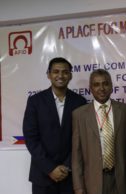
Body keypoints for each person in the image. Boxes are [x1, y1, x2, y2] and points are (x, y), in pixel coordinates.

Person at [23, 57, 87, 194]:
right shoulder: (35, 101)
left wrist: (66, 166)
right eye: (56, 71)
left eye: (65, 72)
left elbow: (81, 138)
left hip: (70, 176)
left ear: (70, 75)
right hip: (42, 175)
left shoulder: (80, 102)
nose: (60, 75)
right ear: (48, 74)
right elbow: (31, 138)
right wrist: (50, 168)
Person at [72, 69, 126, 194]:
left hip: (120, 179)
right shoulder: (79, 115)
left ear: (111, 86)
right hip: (93, 181)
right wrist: (78, 187)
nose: (101, 88)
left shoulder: (125, 110)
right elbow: (76, 154)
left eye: (105, 84)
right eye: (96, 84)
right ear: (90, 88)